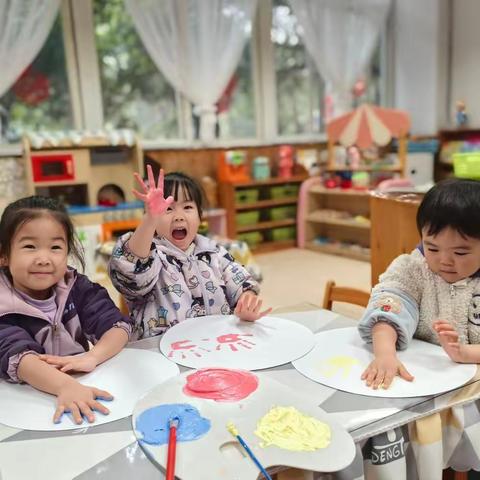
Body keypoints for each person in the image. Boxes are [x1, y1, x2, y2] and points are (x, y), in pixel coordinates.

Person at [0, 196, 133, 424]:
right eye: (30, 247)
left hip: (82, 390)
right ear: (4, 254)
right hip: (26, 406)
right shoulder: (4, 305)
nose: (44, 259)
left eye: (55, 247)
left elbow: (117, 326)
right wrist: (65, 386)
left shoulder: (77, 287)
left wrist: (93, 356)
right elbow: (21, 359)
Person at [109, 166, 271, 339]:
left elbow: (241, 281)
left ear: (200, 216)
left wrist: (245, 302)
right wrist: (150, 219)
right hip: (163, 349)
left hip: (216, 342)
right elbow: (129, 269)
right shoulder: (150, 255)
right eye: (168, 209)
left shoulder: (213, 252)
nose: (179, 216)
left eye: (187, 207)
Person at [358, 179, 480, 389]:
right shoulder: (413, 267)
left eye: (460, 252)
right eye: (432, 248)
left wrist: (465, 353)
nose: (445, 261)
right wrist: (385, 353)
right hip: (421, 377)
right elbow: (389, 304)